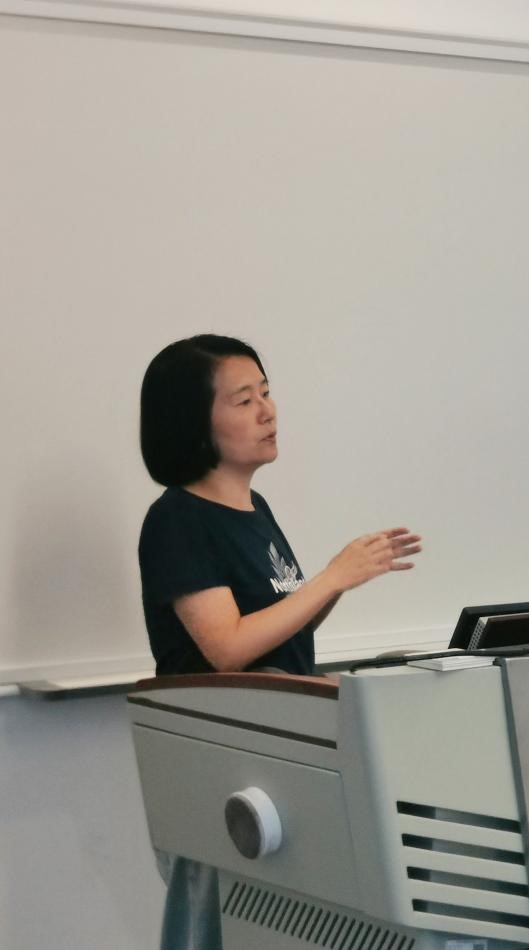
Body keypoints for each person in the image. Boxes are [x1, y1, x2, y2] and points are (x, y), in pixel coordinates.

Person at [137, 333, 421, 949]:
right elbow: (228, 650)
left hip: (279, 756)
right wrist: (332, 577)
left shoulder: (255, 508)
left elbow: (279, 627)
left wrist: (343, 581)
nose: (268, 412)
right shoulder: (177, 520)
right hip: (231, 768)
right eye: (244, 401)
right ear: (193, 422)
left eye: (267, 393)